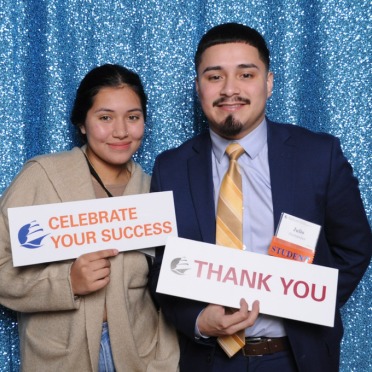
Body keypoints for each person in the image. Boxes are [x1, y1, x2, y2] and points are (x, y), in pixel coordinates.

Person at [149, 23, 372, 372]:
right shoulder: (171, 168)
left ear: (268, 82)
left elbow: (354, 247)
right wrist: (198, 321)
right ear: (198, 88)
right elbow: (161, 267)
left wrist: (305, 301)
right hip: (209, 360)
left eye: (246, 74)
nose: (230, 89)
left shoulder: (318, 155)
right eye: (214, 77)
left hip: (297, 357)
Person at [0, 64, 179, 371]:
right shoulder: (42, 177)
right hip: (61, 357)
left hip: (140, 356)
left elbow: (172, 281)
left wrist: (165, 358)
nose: (121, 131)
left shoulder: (154, 190)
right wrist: (66, 282)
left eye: (133, 117)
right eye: (105, 117)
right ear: (82, 123)